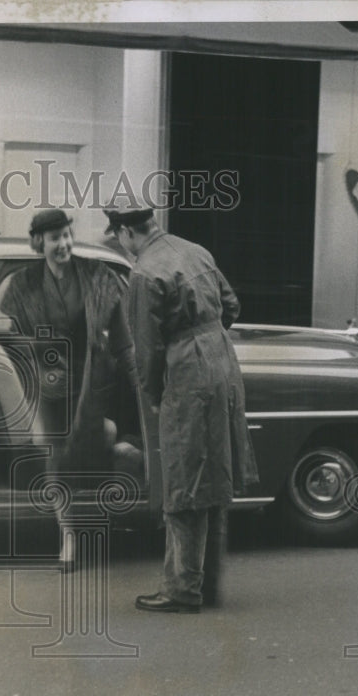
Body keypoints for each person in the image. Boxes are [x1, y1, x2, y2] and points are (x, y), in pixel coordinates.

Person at [105, 199, 258, 612]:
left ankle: (181, 590)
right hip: (222, 362)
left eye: (118, 238)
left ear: (126, 232)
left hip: (186, 372)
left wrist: (153, 396)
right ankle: (206, 585)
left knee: (183, 480)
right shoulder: (196, 251)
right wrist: (206, 338)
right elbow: (231, 306)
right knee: (213, 476)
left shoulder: (144, 272)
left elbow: (146, 349)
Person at [1, 208, 138, 567]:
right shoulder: (23, 285)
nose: (63, 244)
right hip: (49, 385)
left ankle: (117, 450)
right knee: (55, 458)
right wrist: (40, 359)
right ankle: (68, 535)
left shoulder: (97, 276)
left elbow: (123, 342)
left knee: (96, 439)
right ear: (39, 243)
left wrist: (141, 382)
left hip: (92, 380)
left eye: (66, 235)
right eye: (54, 238)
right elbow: (17, 340)